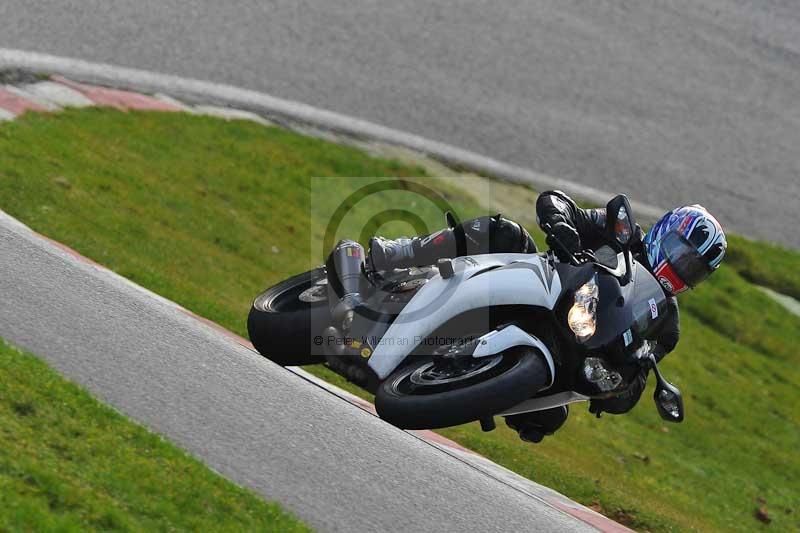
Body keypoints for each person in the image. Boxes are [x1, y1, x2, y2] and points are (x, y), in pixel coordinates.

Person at [343, 190, 727, 443]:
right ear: (664, 231)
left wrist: (625, 381)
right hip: (535, 283)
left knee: (548, 419)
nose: (680, 268)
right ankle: (394, 255)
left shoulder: (666, 323)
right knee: (503, 232)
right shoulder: (621, 233)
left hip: (569, 351)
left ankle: (457, 381)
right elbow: (557, 202)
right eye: (681, 253)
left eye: (693, 268)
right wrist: (561, 225)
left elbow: (636, 378)